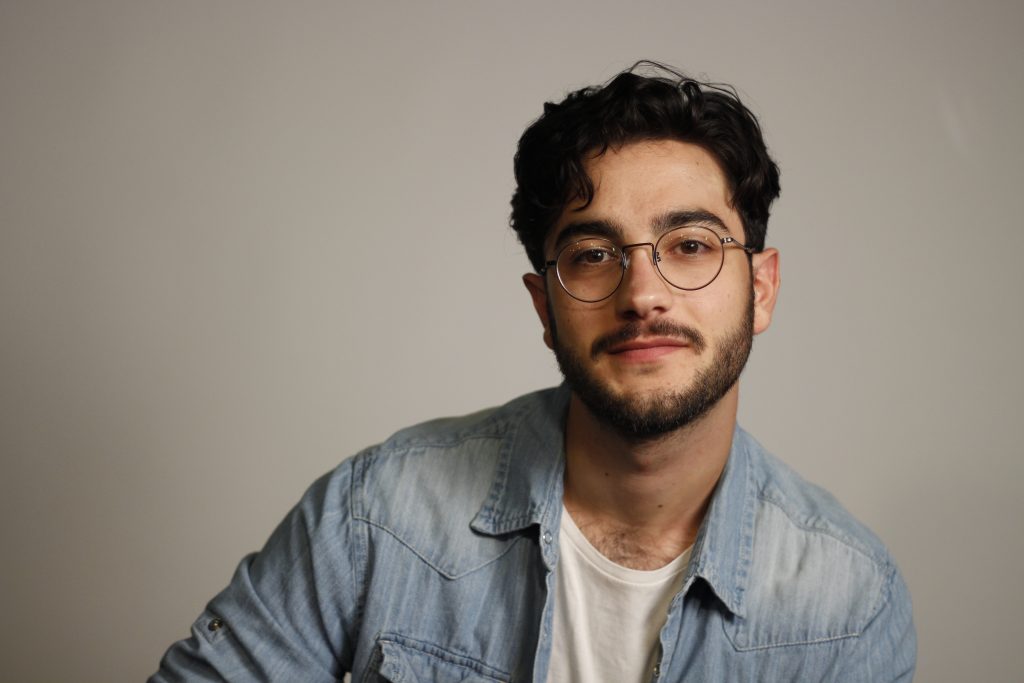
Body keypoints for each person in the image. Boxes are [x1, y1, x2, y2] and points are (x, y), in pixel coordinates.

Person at [151, 62, 916, 682]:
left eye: (690, 245)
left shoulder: (846, 602)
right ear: (545, 306)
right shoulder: (377, 514)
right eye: (593, 254)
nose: (642, 294)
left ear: (763, 288)